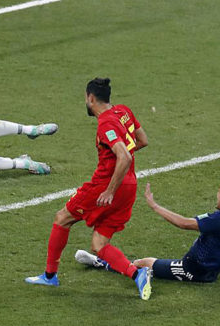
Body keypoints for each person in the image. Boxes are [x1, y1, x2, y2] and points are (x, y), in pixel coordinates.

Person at [25, 77, 153, 300]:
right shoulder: (124, 111)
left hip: (104, 186)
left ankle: (50, 276)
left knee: (62, 218)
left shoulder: (105, 123)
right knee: (98, 244)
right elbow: (141, 141)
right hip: (130, 185)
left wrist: (110, 189)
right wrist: (117, 163)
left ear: (90, 98)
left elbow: (123, 156)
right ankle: (137, 274)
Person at [130, 137, 220, 283]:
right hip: (216, 263)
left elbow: (184, 223)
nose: (217, 194)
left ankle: (108, 264)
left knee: (144, 263)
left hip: (195, 270)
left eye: (219, 191)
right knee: (217, 252)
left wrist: (155, 206)